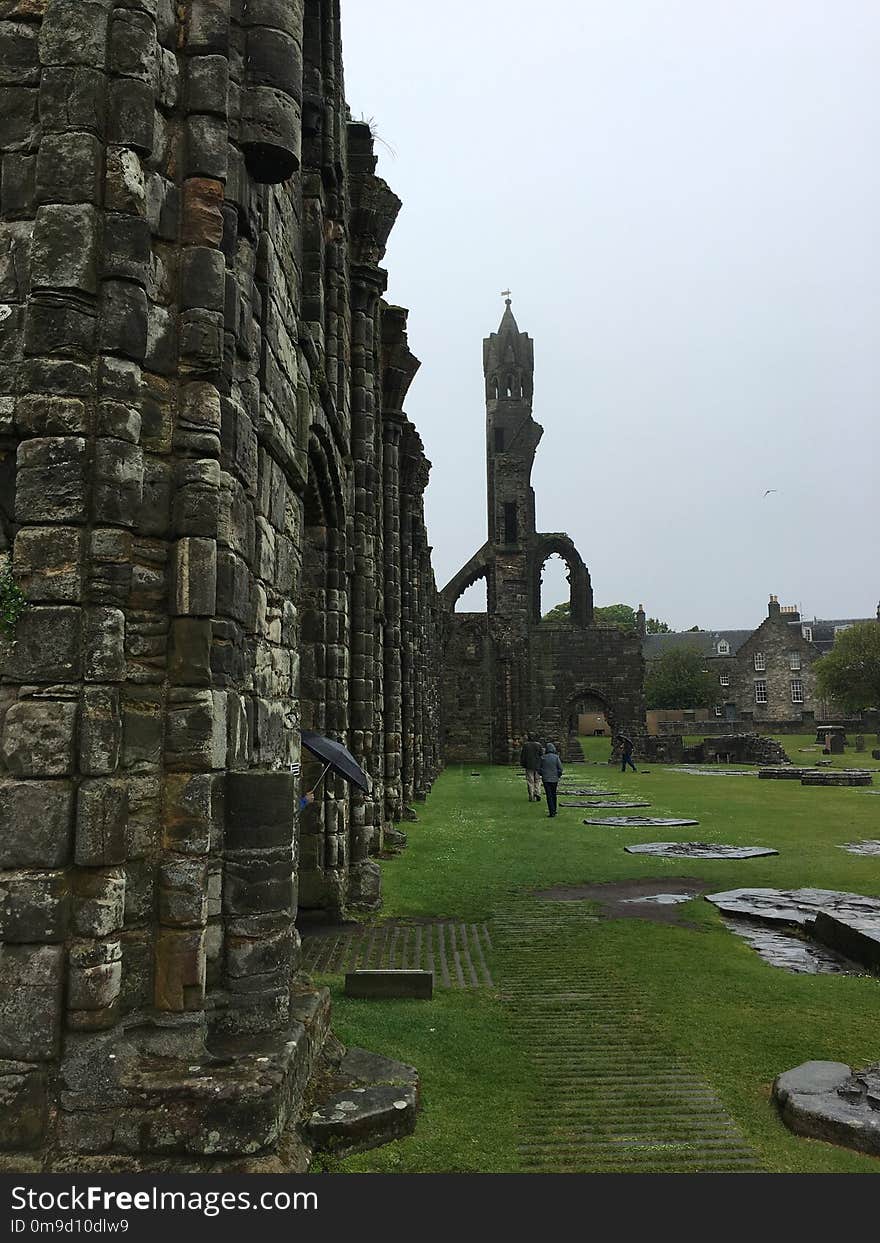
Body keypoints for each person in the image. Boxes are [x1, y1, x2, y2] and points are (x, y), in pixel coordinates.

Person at [539, 741, 563, 817]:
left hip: (546, 779)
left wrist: (542, 774)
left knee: (549, 795)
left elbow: (539, 768)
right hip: (554, 779)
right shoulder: (556, 757)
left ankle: (551, 811)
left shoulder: (543, 757)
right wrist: (558, 775)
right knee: (554, 794)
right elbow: (560, 768)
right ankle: (554, 810)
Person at [519, 733, 544, 802]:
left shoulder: (526, 745)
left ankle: (531, 794)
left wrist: (523, 764)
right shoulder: (539, 745)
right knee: (538, 780)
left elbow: (523, 756)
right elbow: (541, 755)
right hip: (537, 765)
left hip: (529, 765)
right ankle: (538, 792)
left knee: (530, 781)